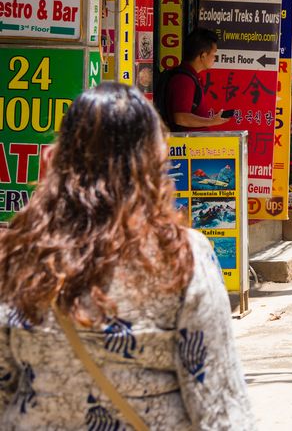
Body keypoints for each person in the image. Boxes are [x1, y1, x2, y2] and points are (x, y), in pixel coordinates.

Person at [0, 83, 255, 427]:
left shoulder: (20, 252)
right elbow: (220, 405)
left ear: (61, 157)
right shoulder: (182, 255)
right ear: (152, 162)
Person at [158, 27, 224, 131]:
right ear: (203, 55)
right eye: (214, 54)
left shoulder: (191, 77)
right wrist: (212, 121)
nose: (215, 58)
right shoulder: (184, 80)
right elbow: (181, 118)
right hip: (187, 146)